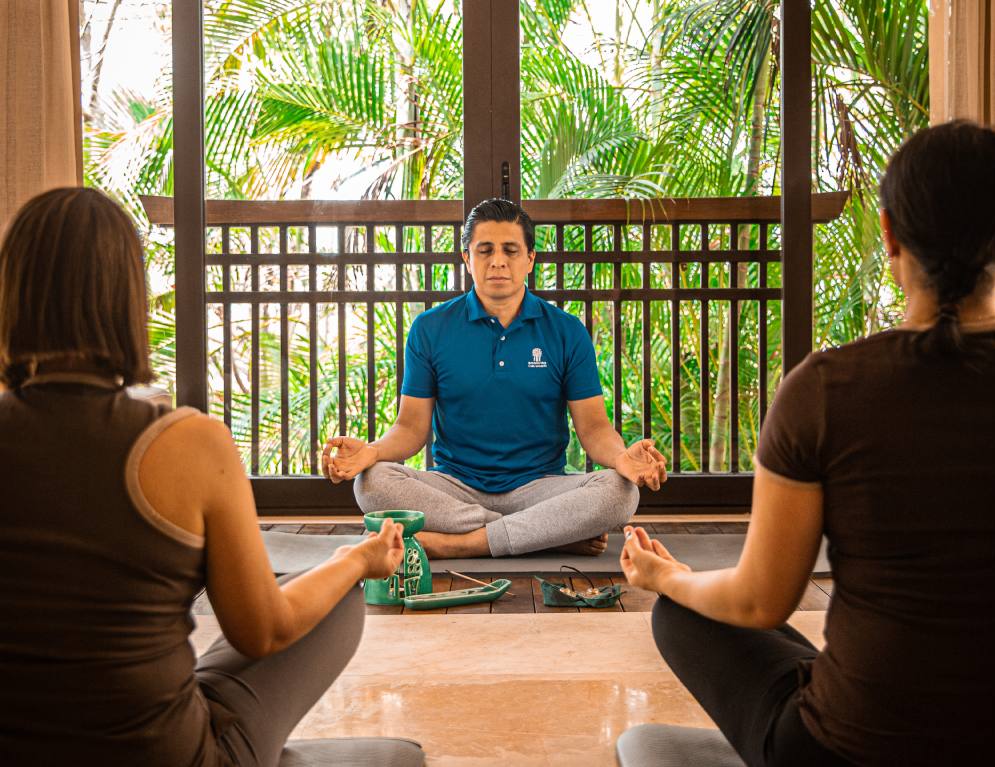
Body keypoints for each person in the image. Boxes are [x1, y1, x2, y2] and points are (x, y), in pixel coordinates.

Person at [620, 120, 995, 766]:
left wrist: (669, 577)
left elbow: (761, 598)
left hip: (845, 750)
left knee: (682, 610)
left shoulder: (825, 389)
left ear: (889, 234)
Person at [0, 188, 406, 766]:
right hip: (168, 757)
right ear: (126, 298)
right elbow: (262, 632)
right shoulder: (186, 443)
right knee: (335, 592)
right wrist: (356, 560)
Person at [323, 198, 667, 559]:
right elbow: (411, 429)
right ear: (466, 258)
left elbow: (595, 430)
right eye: (484, 250)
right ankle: (543, 534)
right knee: (372, 482)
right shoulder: (430, 328)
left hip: (540, 487)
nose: (498, 261)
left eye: (511, 250)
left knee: (620, 491)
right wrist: (371, 452)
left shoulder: (567, 331)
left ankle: (463, 544)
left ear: (530, 259)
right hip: (455, 487)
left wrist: (622, 459)